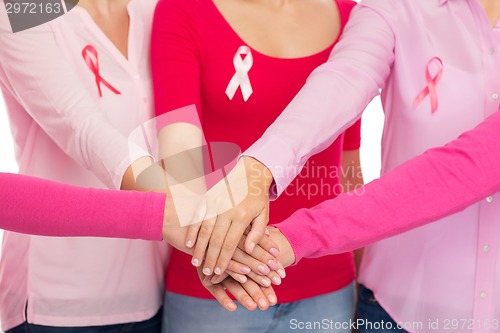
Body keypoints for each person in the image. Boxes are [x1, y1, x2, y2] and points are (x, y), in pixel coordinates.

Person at [204, 0, 500, 332]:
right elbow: (344, 79)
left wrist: (293, 237)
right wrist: (258, 169)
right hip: (397, 310)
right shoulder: (397, 7)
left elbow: (466, 168)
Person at [0, 0, 278, 331]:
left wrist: (212, 242)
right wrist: (209, 238)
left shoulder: (153, 7)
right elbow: (84, 130)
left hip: (152, 292)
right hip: (58, 300)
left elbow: (182, 132)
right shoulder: (20, 10)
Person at [151, 0, 363, 332]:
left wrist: (363, 282)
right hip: (217, 287)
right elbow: (180, 158)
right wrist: (222, 256)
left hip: (327, 287)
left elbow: (349, 168)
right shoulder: (183, 9)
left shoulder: (351, 15)